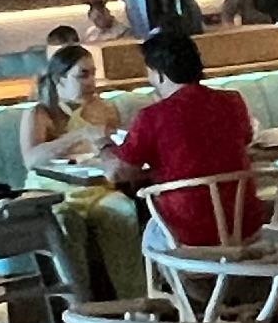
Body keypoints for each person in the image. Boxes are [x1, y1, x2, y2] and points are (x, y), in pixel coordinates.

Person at [103, 27, 261, 256]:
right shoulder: (233, 101)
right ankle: (220, 275)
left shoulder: (153, 116)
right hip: (245, 224)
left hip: (188, 230)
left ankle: (188, 279)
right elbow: (245, 139)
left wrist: (103, 145)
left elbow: (116, 173)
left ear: (159, 74)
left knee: (150, 236)